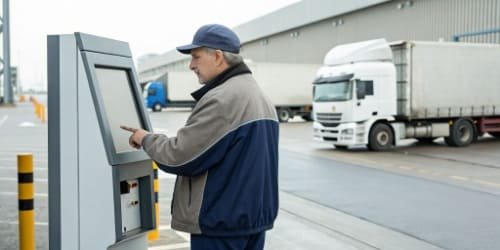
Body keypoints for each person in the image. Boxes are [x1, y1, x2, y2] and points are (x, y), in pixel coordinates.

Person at [121, 24, 279, 250]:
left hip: (221, 224)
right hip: (252, 221)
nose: (191, 65)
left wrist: (144, 138)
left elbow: (180, 155)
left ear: (217, 56)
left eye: (196, 57)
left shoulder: (224, 99)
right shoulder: (257, 94)